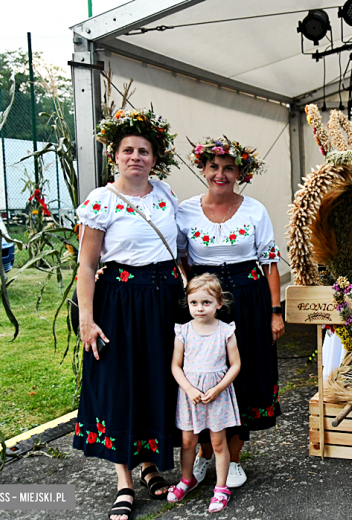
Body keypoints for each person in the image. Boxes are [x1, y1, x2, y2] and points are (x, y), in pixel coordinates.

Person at [74, 109, 183, 520]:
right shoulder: (101, 202)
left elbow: (181, 250)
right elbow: (87, 265)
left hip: (163, 301)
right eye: (128, 151)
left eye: (143, 151)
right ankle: (124, 480)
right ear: (114, 156)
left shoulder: (165, 195)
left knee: (157, 381)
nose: (135, 157)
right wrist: (87, 318)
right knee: (121, 383)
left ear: (155, 158)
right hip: (119, 302)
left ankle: (152, 465)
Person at [177, 136, 284, 489]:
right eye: (214, 167)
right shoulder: (185, 210)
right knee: (202, 370)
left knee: (244, 373)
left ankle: (233, 458)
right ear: (203, 169)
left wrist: (274, 311)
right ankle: (207, 454)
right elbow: (178, 259)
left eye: (229, 168)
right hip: (204, 295)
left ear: (240, 173)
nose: (220, 174)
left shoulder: (255, 210)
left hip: (248, 295)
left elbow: (269, 263)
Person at [168, 274, 241, 513]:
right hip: (191, 397)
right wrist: (189, 389)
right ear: (188, 303)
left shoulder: (225, 331)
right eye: (194, 303)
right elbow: (175, 366)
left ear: (219, 303)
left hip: (217, 396)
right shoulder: (183, 331)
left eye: (206, 303)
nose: (200, 308)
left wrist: (219, 388)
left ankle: (221, 488)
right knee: (188, 441)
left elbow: (236, 365)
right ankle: (187, 479)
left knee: (219, 443)